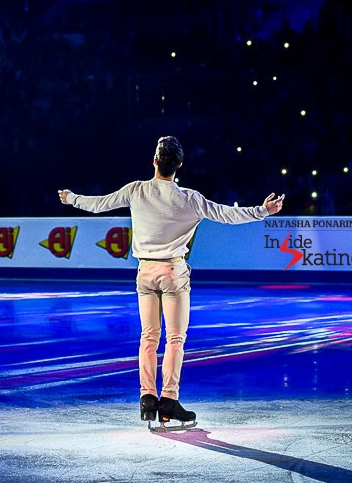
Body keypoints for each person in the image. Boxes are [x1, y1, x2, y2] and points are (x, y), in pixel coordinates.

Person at [58, 136, 284, 429]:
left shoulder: (136, 191)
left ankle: (147, 398)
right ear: (179, 165)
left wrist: (71, 197)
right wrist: (262, 211)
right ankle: (169, 400)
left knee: (149, 337)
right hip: (173, 273)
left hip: (145, 273)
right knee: (175, 339)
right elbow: (228, 215)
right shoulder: (190, 199)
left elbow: (99, 204)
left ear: (154, 161)